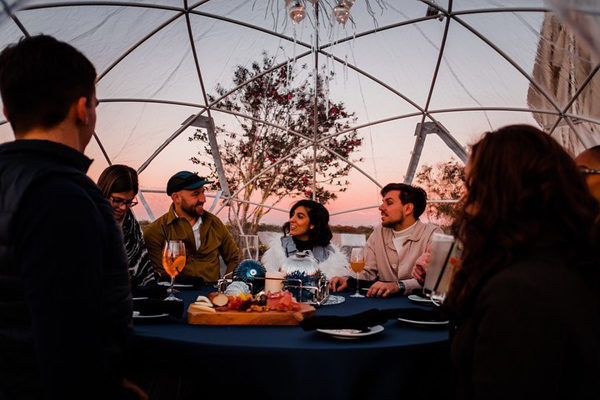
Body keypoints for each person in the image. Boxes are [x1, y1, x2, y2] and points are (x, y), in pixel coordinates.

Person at [0, 36, 142, 399]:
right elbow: (67, 337)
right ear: (82, 109)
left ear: (7, 111)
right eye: (95, 104)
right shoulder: (60, 196)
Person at [446, 125, 599, 399]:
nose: (464, 202)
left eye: (472, 186)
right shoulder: (564, 263)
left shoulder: (520, 292)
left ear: (503, 191)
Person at [330, 183, 441, 297]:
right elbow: (366, 270)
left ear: (408, 208)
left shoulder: (433, 234)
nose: (381, 208)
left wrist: (398, 286)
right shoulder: (379, 232)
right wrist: (348, 279)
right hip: (383, 305)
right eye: (383, 202)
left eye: (389, 203)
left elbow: (436, 278)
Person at [143, 171, 240, 281]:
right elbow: (159, 275)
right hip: (176, 295)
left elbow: (234, 258)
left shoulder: (214, 223)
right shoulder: (155, 231)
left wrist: (227, 285)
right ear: (176, 198)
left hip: (211, 296)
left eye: (203, 192)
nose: (203, 199)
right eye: (195, 194)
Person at [97, 164, 158, 287]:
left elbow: (143, 267)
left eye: (129, 202)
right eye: (117, 200)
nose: (123, 207)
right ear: (104, 192)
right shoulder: (88, 220)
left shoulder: (130, 222)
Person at [262, 200, 348, 278]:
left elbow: (339, 279)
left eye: (300, 216)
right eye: (292, 215)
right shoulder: (279, 248)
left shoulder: (329, 254)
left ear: (312, 224)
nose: (292, 220)